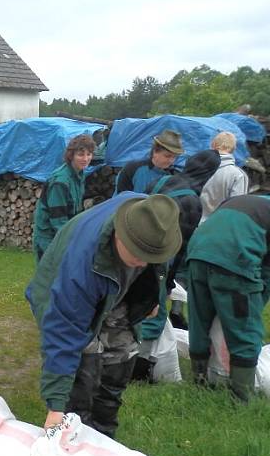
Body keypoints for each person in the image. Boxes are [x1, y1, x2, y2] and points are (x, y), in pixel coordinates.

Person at [26, 192, 181, 436]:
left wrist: (152, 298)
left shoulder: (155, 220)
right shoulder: (80, 267)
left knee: (122, 354)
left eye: (149, 256)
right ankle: (74, 428)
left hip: (114, 289)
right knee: (84, 363)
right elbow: (63, 334)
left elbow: (161, 268)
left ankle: (104, 432)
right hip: (69, 289)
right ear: (120, 233)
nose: (143, 263)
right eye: (138, 254)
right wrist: (55, 405)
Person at [132, 149, 221, 380]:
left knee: (134, 305)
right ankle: (139, 367)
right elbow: (179, 250)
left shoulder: (161, 180)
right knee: (155, 311)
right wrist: (169, 282)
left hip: (135, 249)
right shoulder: (192, 201)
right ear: (209, 174)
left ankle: (127, 353)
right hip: (157, 260)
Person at [186, 193, 270, 403]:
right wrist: (256, 305)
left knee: (199, 320)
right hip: (234, 258)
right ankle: (241, 397)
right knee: (245, 328)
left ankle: (199, 381)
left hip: (197, 251)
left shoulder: (250, 200)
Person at [32, 134, 96, 261]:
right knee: (50, 279)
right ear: (71, 155)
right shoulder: (60, 181)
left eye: (89, 154)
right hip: (50, 239)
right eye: (81, 154)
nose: (85, 158)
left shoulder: (79, 175)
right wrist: (77, 242)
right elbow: (58, 221)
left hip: (65, 234)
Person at [199, 131, 249, 222]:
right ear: (233, 149)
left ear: (213, 145)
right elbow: (237, 208)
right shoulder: (238, 175)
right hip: (220, 227)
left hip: (195, 226)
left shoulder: (197, 168)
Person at [114, 129, 184, 195]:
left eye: (174, 157)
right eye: (167, 156)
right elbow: (121, 197)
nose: (171, 161)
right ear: (155, 151)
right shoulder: (133, 168)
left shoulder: (173, 176)